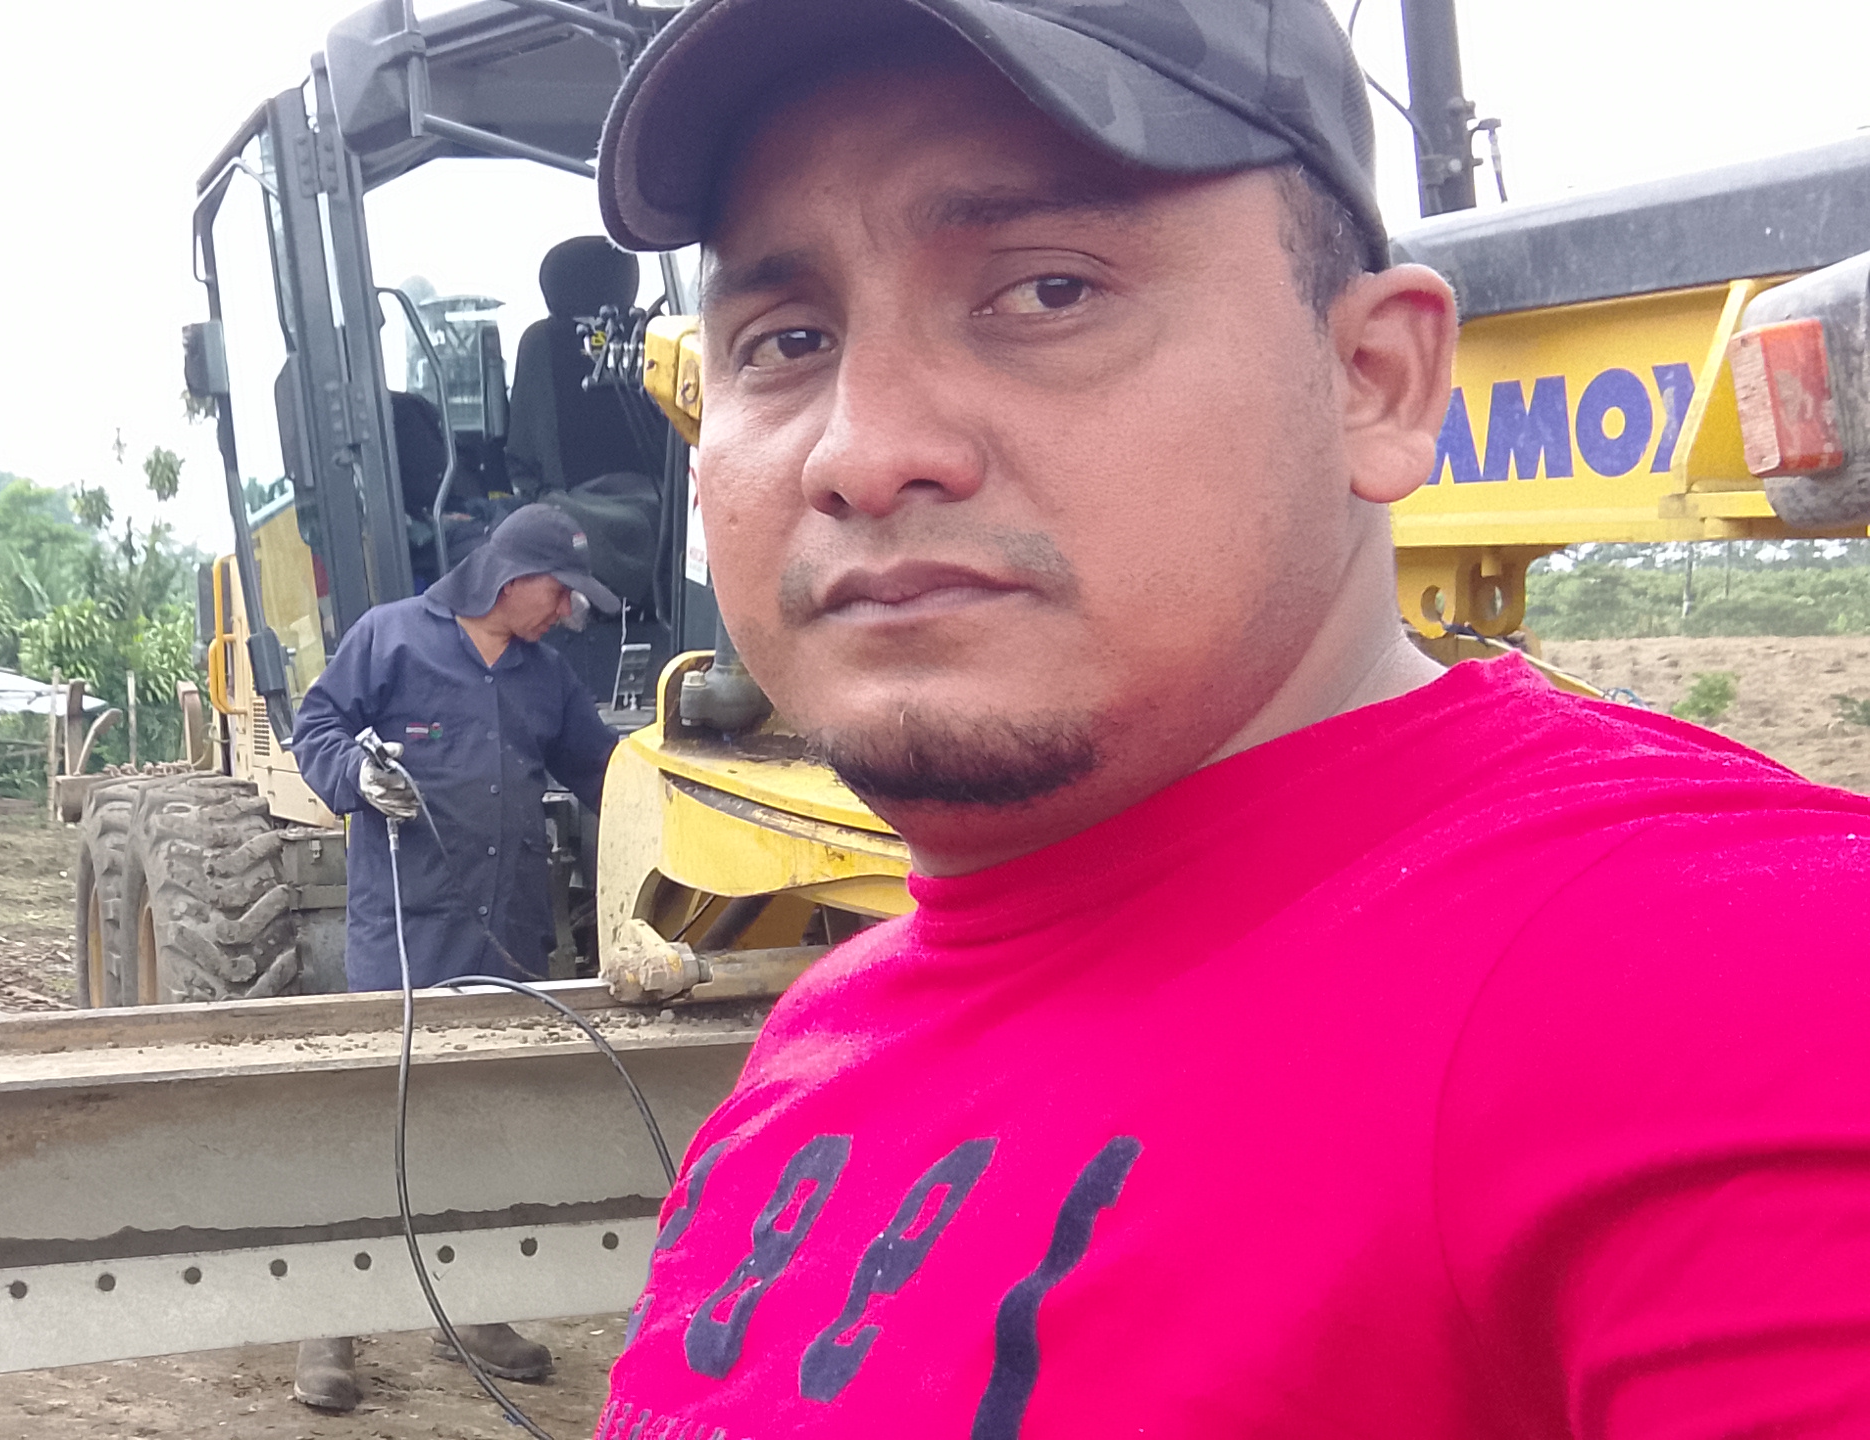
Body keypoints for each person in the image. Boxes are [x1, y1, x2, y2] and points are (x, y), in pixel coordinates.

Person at [581, 0, 1870, 1433]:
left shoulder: (1733, 983)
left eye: (1047, 292)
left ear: (1373, 381)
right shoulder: (823, 1042)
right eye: (786, 337)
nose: (862, 451)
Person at [286, 501, 627, 1411]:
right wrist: (356, 776)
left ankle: (469, 1311)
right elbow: (316, 729)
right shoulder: (391, 638)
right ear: (512, 579)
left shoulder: (546, 678)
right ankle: (331, 1324)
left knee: (484, 1125)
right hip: (407, 930)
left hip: (507, 933)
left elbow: (607, 774)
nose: (567, 612)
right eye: (561, 593)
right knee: (384, 1121)